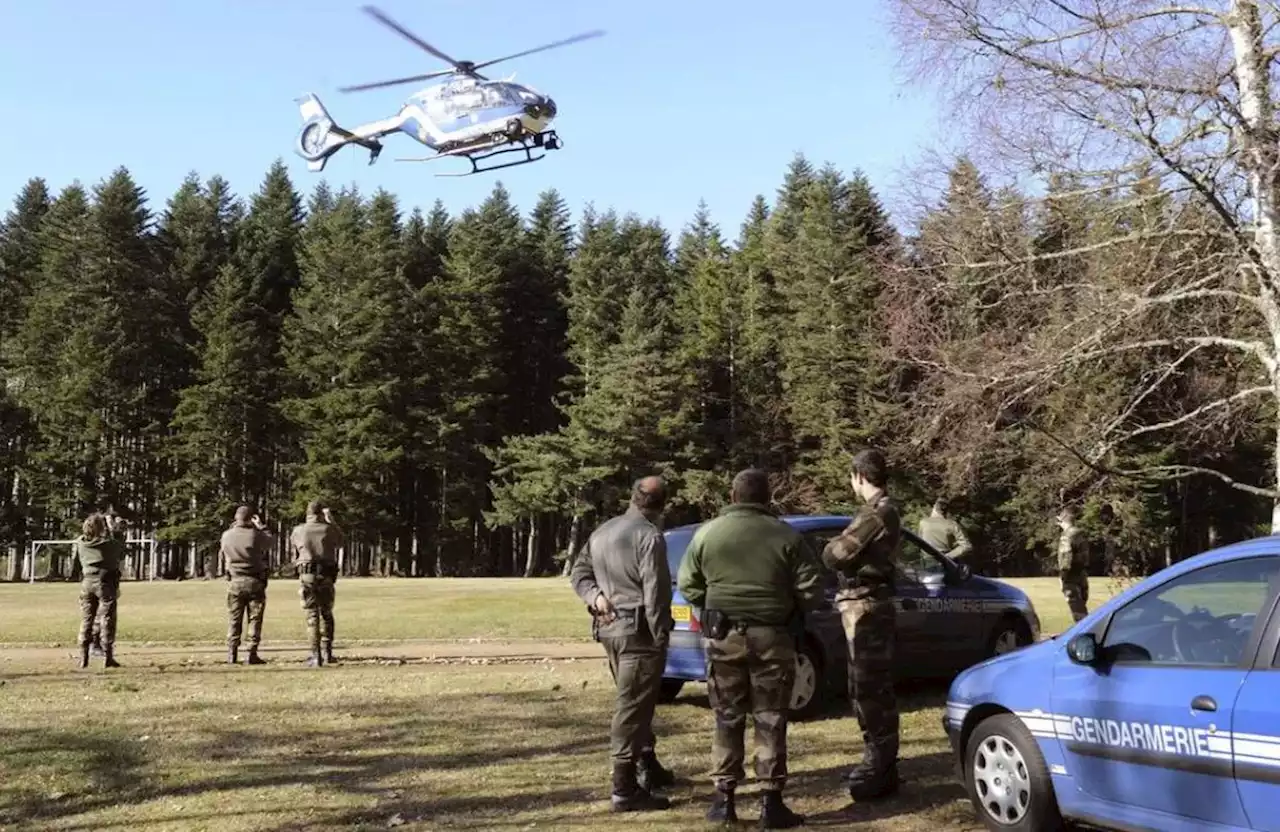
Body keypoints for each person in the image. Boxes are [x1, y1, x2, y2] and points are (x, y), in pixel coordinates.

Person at [677, 468, 823, 828]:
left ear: (732, 496)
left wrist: (712, 603)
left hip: (723, 637)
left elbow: (688, 584)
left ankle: (723, 801)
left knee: (727, 717)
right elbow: (812, 587)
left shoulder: (707, 534)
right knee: (770, 718)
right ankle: (771, 803)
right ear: (766, 497)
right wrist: (791, 608)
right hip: (773, 637)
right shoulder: (785, 535)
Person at [570, 476, 676, 813]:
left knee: (637, 701)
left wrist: (595, 596)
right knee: (632, 707)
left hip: (609, 630)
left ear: (633, 497)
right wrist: (661, 636)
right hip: (639, 633)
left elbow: (578, 573)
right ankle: (624, 788)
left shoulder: (603, 531)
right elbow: (656, 593)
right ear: (662, 505)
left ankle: (649, 766)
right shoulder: (650, 536)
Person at [822, 448, 902, 801]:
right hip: (861, 606)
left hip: (868, 608)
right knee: (862, 686)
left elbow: (835, 554)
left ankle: (881, 766)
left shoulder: (878, 513)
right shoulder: (874, 512)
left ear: (859, 476)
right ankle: (878, 760)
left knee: (871, 688)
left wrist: (834, 547)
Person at [290, 500, 343, 667]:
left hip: (307, 576)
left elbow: (295, 551)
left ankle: (315, 655)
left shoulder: (298, 530)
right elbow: (342, 542)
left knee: (312, 616)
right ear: (322, 513)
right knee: (327, 614)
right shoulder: (328, 529)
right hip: (326, 575)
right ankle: (327, 652)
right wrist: (331, 521)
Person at [221, 505, 273, 665]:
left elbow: (224, 553)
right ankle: (251, 653)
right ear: (251, 518)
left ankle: (232, 653)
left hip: (235, 580)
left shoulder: (227, 535)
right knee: (254, 618)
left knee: (234, 618)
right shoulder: (256, 535)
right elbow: (270, 542)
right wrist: (262, 526)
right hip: (254, 580)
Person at [74, 512, 125, 669]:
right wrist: (111, 527)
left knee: (87, 620)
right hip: (104, 584)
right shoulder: (107, 545)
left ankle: (83, 658)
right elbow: (118, 542)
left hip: (87, 584)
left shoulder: (81, 543)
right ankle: (108, 656)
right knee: (107, 619)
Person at [1057, 505, 1090, 623]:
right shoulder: (1081, 533)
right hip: (1082, 575)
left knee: (1078, 612)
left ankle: (1084, 636)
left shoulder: (1067, 535)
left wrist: (1063, 576)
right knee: (1082, 607)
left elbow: (1066, 556)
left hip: (1071, 577)